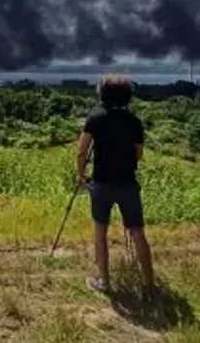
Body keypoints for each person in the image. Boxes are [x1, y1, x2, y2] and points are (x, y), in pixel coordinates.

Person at [76, 74, 153, 293]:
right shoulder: (134, 121)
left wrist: (81, 175)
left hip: (101, 183)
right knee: (138, 232)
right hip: (128, 183)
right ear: (128, 96)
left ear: (103, 95)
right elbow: (139, 154)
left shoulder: (95, 118)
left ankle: (104, 282)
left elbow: (81, 152)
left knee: (100, 233)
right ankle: (149, 284)